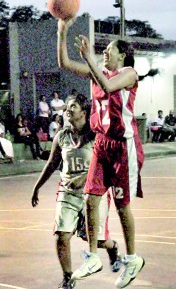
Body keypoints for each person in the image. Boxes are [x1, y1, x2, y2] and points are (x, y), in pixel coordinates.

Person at [57, 18, 145, 288]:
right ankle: (93, 256)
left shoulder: (129, 74)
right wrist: (62, 31)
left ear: (122, 55)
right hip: (102, 143)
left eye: (110, 49)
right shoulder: (99, 72)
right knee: (90, 197)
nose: (105, 52)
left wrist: (90, 58)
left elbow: (108, 87)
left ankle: (131, 259)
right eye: (103, 50)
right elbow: (65, 64)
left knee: (121, 206)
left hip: (123, 146)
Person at [31, 94, 122, 289]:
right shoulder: (62, 136)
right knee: (61, 235)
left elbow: (107, 165)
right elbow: (52, 164)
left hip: (94, 194)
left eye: (73, 106)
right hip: (68, 192)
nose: (68, 110)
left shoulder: (95, 135)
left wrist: (85, 178)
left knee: (95, 241)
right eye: (67, 107)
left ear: (84, 111)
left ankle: (112, 247)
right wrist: (37, 187)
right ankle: (67, 277)